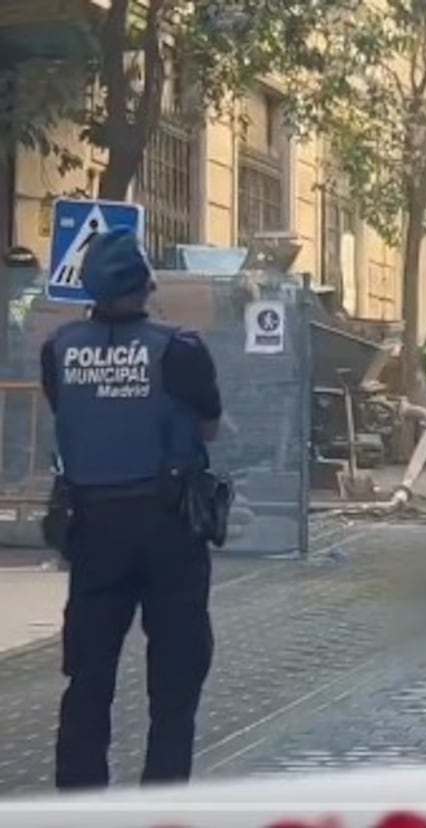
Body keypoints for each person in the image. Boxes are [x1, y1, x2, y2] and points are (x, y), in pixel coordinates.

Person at [43, 227, 221, 789]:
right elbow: (209, 426)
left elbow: (67, 414)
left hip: (92, 527)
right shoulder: (181, 347)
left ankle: (80, 800)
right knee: (176, 678)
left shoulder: (58, 349)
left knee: (88, 675)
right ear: (147, 284)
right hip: (169, 526)